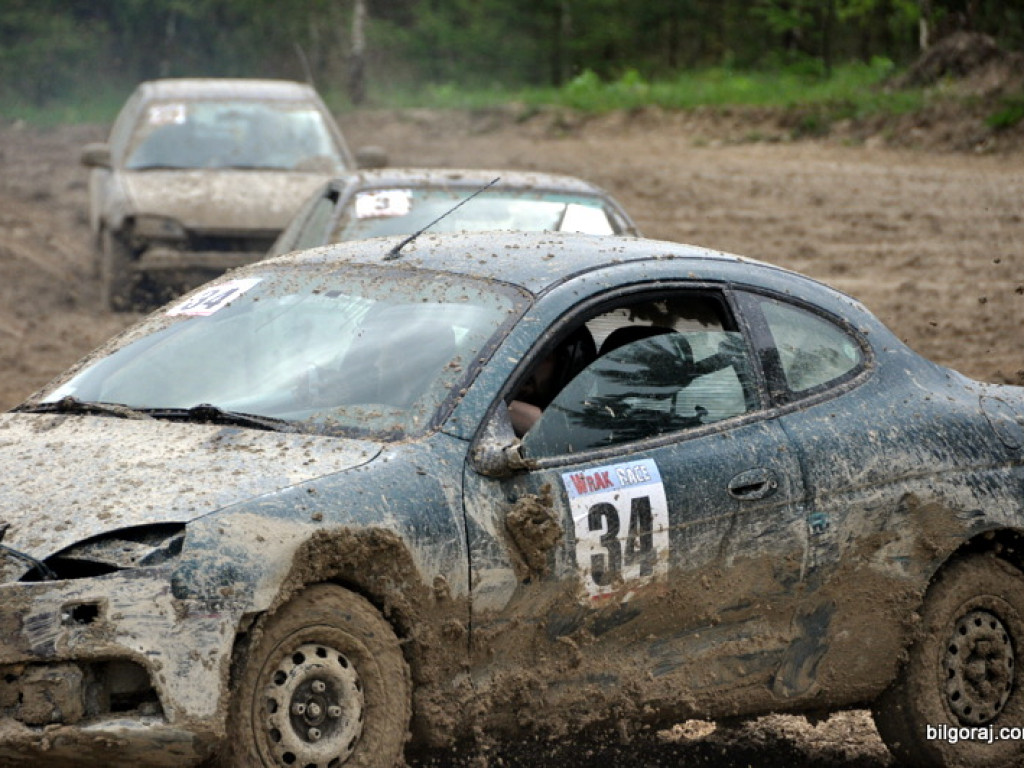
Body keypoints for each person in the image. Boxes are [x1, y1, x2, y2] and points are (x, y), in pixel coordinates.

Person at [508, 326, 596, 436]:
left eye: (542, 358)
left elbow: (542, 426)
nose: (527, 365)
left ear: (564, 365)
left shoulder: (577, 420)